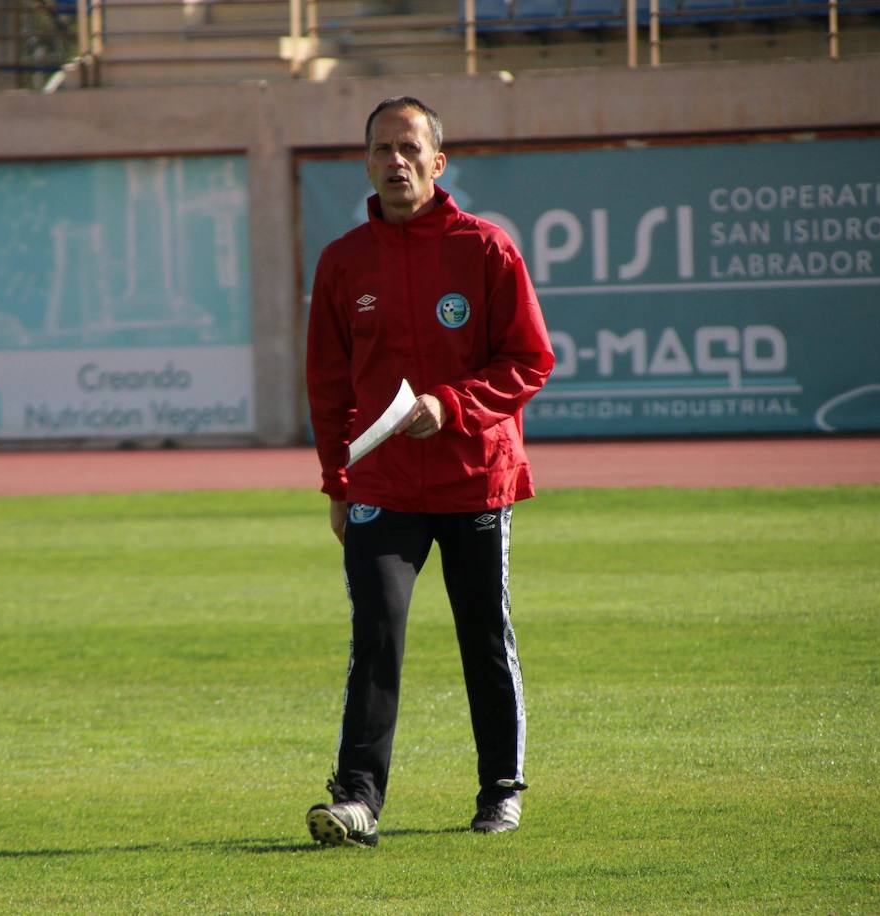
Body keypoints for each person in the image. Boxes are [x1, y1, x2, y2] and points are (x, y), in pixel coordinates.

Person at [304, 96, 556, 848]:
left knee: (484, 634)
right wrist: (335, 483)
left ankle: (501, 790)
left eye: (409, 148)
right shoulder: (344, 261)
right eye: (382, 149)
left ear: (438, 162)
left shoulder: (486, 248)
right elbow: (328, 386)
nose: (395, 162)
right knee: (375, 631)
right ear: (367, 162)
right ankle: (356, 801)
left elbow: (530, 360)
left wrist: (454, 405)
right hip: (382, 487)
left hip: (475, 476)